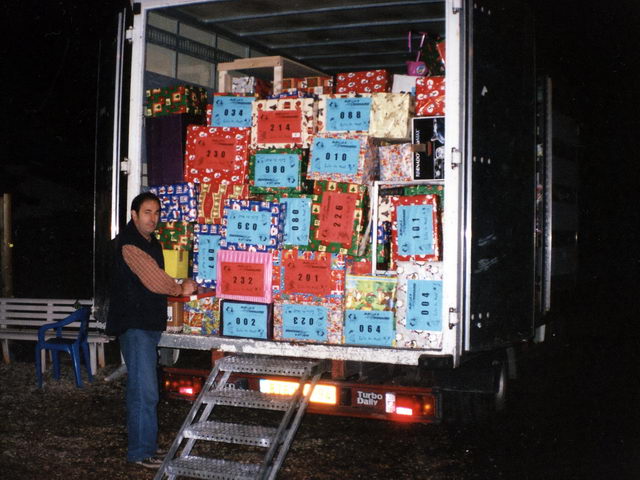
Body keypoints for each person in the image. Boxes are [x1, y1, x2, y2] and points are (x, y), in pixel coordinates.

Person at [106, 191, 196, 469]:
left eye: (156, 213)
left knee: (142, 390)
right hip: (135, 327)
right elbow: (153, 279)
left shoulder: (150, 242)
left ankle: (143, 449)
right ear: (134, 215)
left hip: (145, 325)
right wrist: (180, 288)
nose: (153, 218)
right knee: (145, 391)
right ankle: (141, 452)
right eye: (147, 212)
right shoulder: (129, 244)